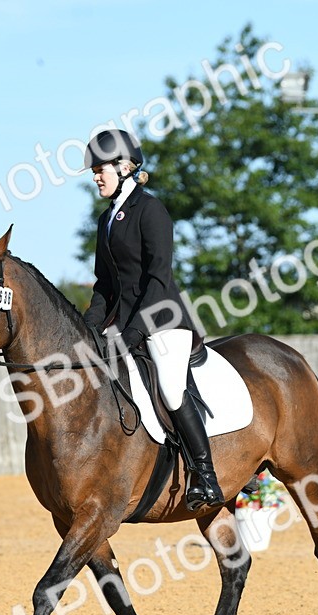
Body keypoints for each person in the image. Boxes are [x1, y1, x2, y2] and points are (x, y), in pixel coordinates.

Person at [81, 129, 224, 511]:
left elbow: (159, 278)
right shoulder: (106, 219)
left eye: (101, 169)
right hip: (122, 323)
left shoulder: (151, 210)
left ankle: (206, 475)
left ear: (125, 167)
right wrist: (87, 329)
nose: (96, 176)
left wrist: (134, 332)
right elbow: (104, 285)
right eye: (94, 170)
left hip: (163, 318)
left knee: (172, 386)